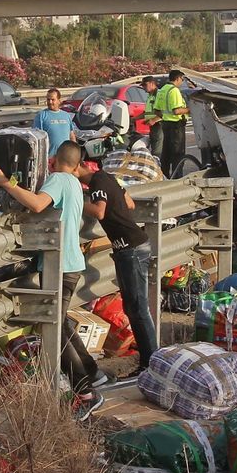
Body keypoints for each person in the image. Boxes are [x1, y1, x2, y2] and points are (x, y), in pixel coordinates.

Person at [0, 141, 107, 419]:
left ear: (52, 160)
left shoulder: (58, 179)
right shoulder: (74, 182)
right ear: (77, 165)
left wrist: (5, 183)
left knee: (53, 329)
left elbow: (38, 204)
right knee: (59, 323)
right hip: (70, 263)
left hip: (61, 265)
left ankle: (86, 392)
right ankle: (93, 373)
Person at [80, 159, 159, 372]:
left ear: (79, 168)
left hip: (130, 249)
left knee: (137, 309)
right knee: (136, 307)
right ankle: (151, 360)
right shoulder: (107, 177)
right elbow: (130, 203)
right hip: (137, 244)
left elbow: (99, 212)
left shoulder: (97, 183)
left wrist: (76, 200)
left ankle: (151, 363)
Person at [149, 70, 190, 179]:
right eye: (182, 79)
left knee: (166, 153)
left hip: (166, 125)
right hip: (176, 126)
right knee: (178, 154)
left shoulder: (162, 90)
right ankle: (177, 178)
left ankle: (164, 176)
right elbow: (176, 111)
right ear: (177, 78)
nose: (182, 81)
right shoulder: (174, 90)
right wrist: (189, 109)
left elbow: (156, 110)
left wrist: (165, 117)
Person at [33, 87, 75, 156]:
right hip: (50, 158)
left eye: (53, 100)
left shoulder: (66, 115)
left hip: (65, 158)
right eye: (48, 99)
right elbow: (37, 138)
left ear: (59, 100)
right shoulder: (41, 115)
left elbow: (71, 135)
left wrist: (75, 153)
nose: (50, 102)